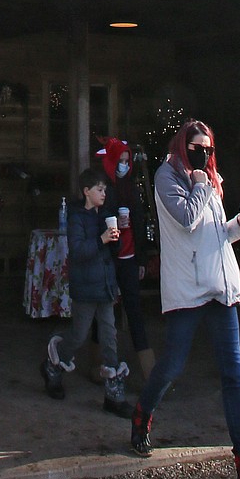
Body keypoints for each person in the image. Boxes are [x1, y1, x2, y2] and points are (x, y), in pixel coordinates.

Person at [129, 120, 240, 479]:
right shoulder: (168, 177)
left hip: (220, 287)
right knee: (172, 365)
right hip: (188, 288)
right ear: (183, 146)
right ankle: (142, 412)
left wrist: (237, 227)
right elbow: (186, 219)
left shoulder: (209, 179)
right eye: (197, 147)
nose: (204, 154)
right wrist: (202, 182)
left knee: (234, 375)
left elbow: (214, 234)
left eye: (209, 148)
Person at [41, 166, 131, 417]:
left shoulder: (105, 215)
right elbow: (78, 252)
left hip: (105, 285)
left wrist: (117, 237)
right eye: (99, 190)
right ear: (86, 192)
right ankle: (53, 363)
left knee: (109, 336)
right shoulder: (76, 217)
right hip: (85, 287)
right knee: (79, 335)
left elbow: (113, 251)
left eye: (105, 189)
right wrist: (101, 239)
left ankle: (114, 394)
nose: (104, 193)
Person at [97, 137, 153, 380]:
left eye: (126, 161)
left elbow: (139, 223)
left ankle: (149, 370)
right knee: (104, 311)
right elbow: (97, 219)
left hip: (129, 258)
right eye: (119, 161)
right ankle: (100, 365)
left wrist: (141, 259)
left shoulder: (132, 187)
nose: (123, 165)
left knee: (135, 310)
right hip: (110, 258)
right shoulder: (103, 189)